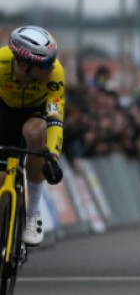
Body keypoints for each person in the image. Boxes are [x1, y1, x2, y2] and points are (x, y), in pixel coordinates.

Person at [0, 26, 65, 246]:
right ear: (24, 63)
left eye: (53, 60)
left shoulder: (56, 73)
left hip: (35, 112)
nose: (52, 67)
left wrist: (53, 158)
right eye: (46, 64)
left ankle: (33, 213)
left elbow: (55, 116)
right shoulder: (0, 63)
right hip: (4, 111)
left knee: (35, 132)